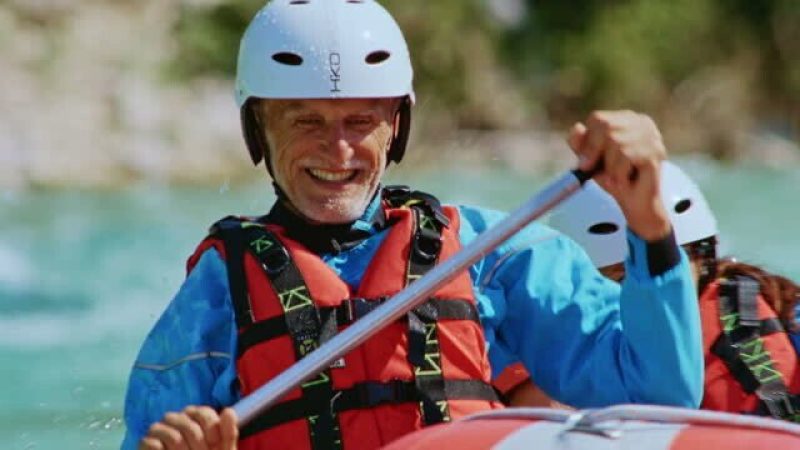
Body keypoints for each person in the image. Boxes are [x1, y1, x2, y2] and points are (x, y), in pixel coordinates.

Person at [122, 1, 703, 449]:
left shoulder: (490, 254)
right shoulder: (214, 297)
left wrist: (649, 228)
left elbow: (661, 395)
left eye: (361, 120)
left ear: (395, 127)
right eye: (305, 121)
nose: (339, 148)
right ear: (258, 131)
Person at [533, 161, 800, 420]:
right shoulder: (562, 330)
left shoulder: (736, 327)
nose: (650, 292)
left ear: (704, 258)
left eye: (670, 270)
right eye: (621, 279)